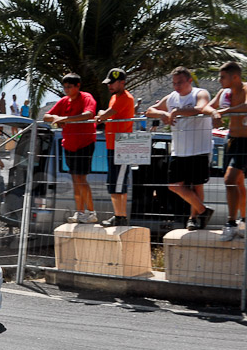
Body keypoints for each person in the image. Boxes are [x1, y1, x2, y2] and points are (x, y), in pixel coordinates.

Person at [146, 66, 215, 230]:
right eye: (174, 83)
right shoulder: (171, 97)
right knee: (174, 185)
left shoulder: (200, 93)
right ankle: (203, 211)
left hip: (199, 148)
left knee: (197, 185)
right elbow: (149, 111)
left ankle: (194, 218)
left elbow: (200, 108)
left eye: (180, 82)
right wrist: (162, 114)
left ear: (189, 81)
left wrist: (177, 112)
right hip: (179, 149)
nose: (177, 86)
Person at [44, 73, 98, 223]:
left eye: (69, 87)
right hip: (69, 145)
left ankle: (91, 212)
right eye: (65, 87)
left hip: (84, 143)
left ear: (78, 86)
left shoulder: (86, 97)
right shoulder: (64, 101)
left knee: (81, 178)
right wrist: (56, 118)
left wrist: (65, 119)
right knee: (75, 179)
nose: (66, 90)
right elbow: (46, 116)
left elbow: (88, 114)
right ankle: (80, 212)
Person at [211, 61, 247, 240]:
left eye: (223, 77)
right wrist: (214, 113)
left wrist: (225, 111)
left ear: (235, 77)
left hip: (246, 141)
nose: (219, 80)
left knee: (231, 180)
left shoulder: (246, 88)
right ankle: (241, 222)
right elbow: (209, 106)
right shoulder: (223, 92)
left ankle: (233, 223)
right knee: (236, 182)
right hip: (232, 140)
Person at [95, 68, 135, 227]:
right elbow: (106, 116)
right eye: (109, 83)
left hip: (122, 146)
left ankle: (120, 216)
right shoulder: (114, 98)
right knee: (114, 183)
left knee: (118, 184)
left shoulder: (126, 98)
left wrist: (101, 114)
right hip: (112, 144)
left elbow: (105, 115)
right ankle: (119, 215)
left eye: (112, 83)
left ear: (122, 82)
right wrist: (102, 115)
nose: (109, 86)